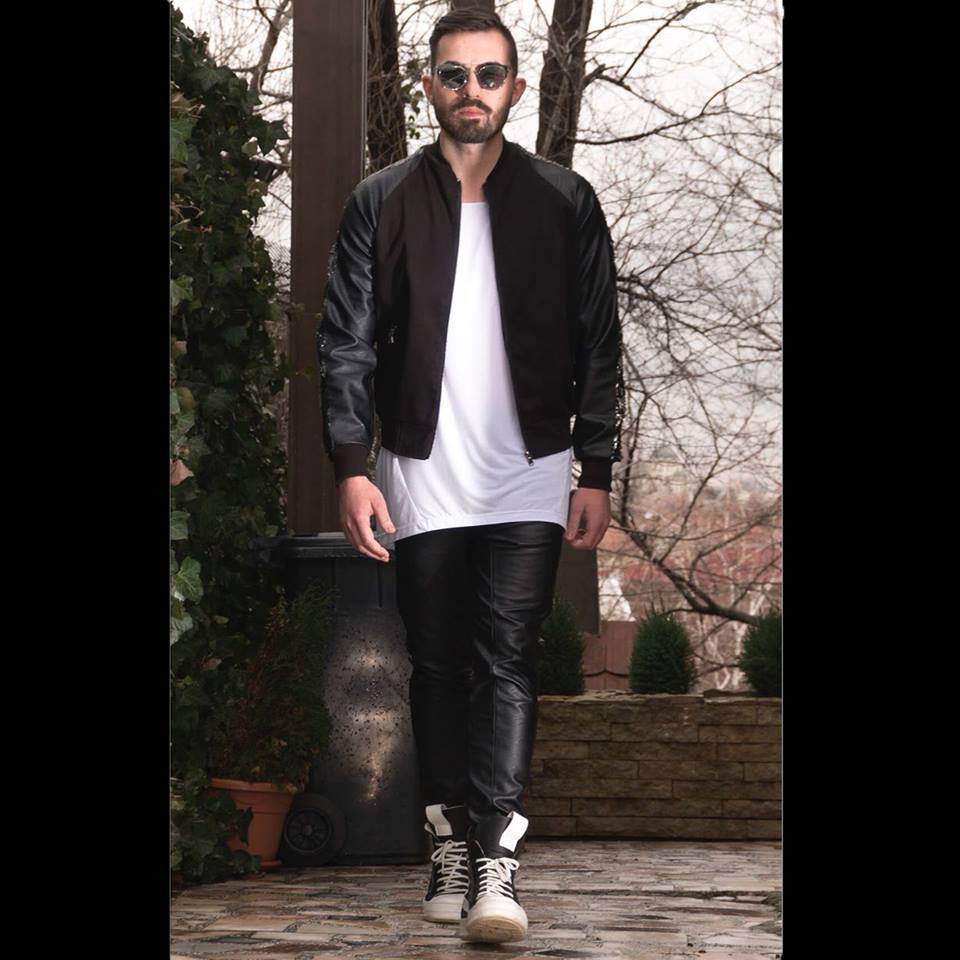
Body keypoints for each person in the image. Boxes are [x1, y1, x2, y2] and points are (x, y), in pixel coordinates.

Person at [316, 8, 624, 945]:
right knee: (440, 662)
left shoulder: (565, 201)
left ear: (515, 89)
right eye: (454, 75)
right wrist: (353, 465)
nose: (472, 91)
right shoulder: (381, 201)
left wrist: (596, 465)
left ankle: (497, 859)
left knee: (507, 660)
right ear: (430, 87)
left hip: (530, 466)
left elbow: (599, 344)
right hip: (419, 467)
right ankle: (449, 837)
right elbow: (346, 342)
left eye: (489, 75)